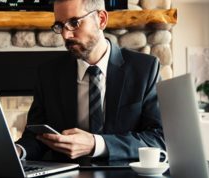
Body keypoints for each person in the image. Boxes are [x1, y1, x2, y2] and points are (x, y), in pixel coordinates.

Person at [16, 0, 165, 162]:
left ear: (101, 19)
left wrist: (97, 144)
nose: (66, 35)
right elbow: (36, 136)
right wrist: (18, 150)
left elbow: (158, 138)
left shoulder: (145, 69)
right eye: (60, 26)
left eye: (74, 23)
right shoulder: (48, 74)